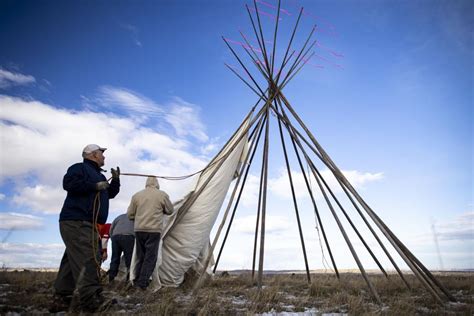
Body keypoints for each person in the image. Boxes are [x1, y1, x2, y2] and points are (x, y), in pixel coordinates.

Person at [51, 144, 120, 312]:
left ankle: (62, 299)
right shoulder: (79, 168)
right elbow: (68, 184)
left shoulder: (99, 176)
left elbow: (109, 194)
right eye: (102, 154)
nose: (104, 157)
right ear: (93, 155)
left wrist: (116, 181)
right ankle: (92, 300)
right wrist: (94, 186)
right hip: (78, 220)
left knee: (71, 261)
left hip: (86, 223)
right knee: (88, 258)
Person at [127, 176, 174, 290]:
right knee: (150, 257)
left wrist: (140, 216)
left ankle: (136, 280)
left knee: (141, 256)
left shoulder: (137, 195)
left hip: (139, 230)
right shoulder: (162, 195)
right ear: (157, 183)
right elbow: (170, 210)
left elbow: (130, 214)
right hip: (153, 230)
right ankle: (142, 284)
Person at [108, 213, 135, 282]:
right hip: (128, 237)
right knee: (129, 259)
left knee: (115, 258)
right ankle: (129, 279)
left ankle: (111, 278)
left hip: (115, 237)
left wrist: (113, 238)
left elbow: (111, 228)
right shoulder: (136, 217)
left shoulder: (119, 216)